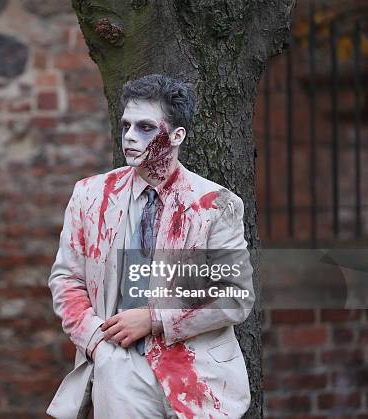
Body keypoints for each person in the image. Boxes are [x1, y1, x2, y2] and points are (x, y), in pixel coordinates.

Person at [46, 74, 255, 419]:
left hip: (197, 374)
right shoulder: (89, 196)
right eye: (126, 125)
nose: (129, 136)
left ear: (176, 136)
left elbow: (235, 296)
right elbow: (67, 281)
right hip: (119, 368)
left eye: (144, 127)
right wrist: (99, 346)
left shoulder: (216, 204)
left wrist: (155, 319)